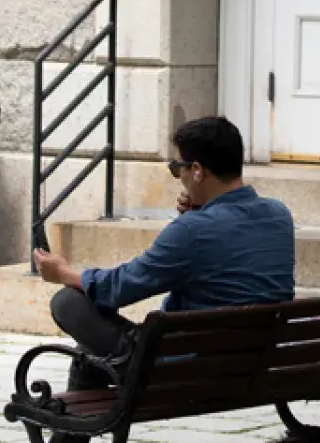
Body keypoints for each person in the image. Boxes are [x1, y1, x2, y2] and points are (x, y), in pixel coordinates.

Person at [33, 116, 295, 408]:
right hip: (253, 362)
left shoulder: (193, 231)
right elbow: (219, 256)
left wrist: (65, 273)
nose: (177, 177)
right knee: (90, 356)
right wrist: (197, 213)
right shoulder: (278, 215)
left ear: (196, 170)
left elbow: (124, 286)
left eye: (176, 168)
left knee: (68, 302)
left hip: (184, 369)